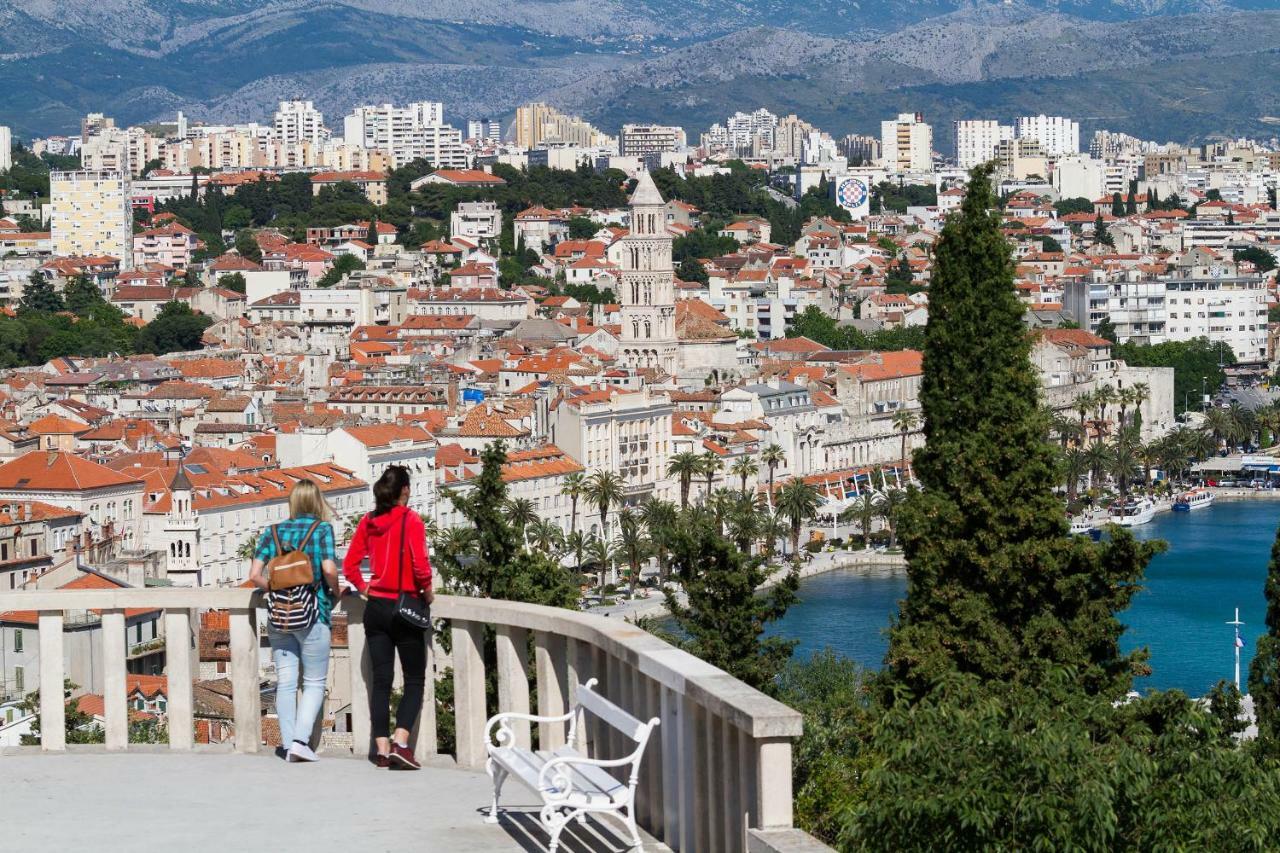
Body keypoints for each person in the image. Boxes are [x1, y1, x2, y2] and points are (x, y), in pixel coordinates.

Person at [343, 465, 433, 770]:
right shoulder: (412, 521)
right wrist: (428, 591)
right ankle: (401, 743)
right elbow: (420, 566)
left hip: (376, 607)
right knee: (415, 680)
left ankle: (381, 749)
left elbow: (351, 564)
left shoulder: (369, 521)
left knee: (381, 682)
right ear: (405, 490)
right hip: (405, 606)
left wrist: (366, 586)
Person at [248, 479, 340, 763]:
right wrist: (336, 591)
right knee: (313, 682)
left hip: (280, 616)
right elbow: (328, 568)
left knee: (285, 682)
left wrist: (274, 589)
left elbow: (254, 574)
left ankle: (288, 744)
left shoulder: (272, 532)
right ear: (316, 502)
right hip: (314, 614)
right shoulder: (322, 529)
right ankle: (301, 742)